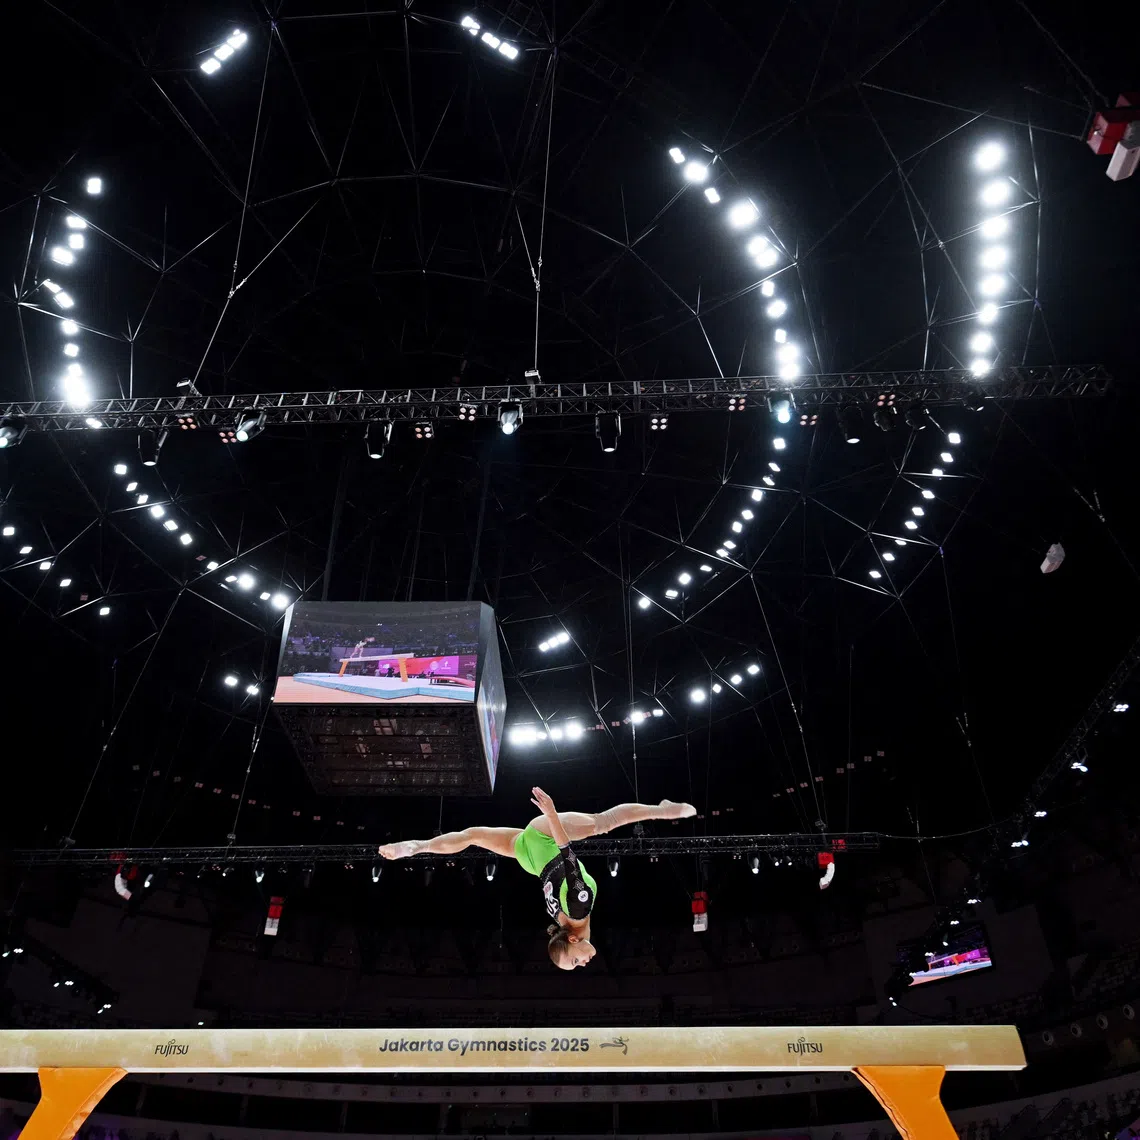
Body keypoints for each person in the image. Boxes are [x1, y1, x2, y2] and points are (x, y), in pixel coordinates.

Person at [378, 787, 696, 970]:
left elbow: (566, 850)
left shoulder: (578, 908)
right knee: (472, 835)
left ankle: (665, 810)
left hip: (545, 839)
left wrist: (553, 815)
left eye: (574, 963)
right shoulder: (560, 921)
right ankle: (418, 846)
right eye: (575, 966)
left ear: (573, 941)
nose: (582, 965)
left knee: (605, 822)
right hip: (531, 860)